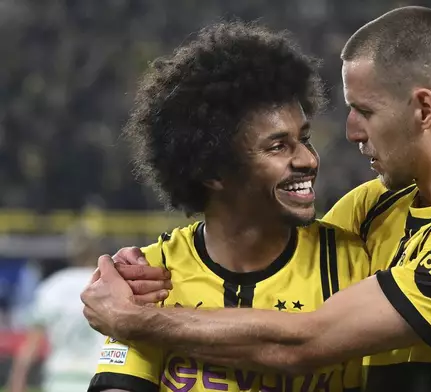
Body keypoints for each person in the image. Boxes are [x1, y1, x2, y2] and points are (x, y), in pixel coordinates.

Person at [83, 7, 431, 392]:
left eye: (364, 111)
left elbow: (306, 343)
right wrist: (139, 271)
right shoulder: (372, 209)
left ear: (424, 109)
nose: (349, 132)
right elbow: (282, 262)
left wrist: (135, 319)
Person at [86, 21, 372, 392]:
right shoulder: (152, 278)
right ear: (213, 171)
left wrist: (137, 321)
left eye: (304, 139)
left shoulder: (354, 266)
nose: (308, 160)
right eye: (278, 146)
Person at [7, 224, 106, 392]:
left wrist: (17, 380)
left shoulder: (53, 286)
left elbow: (32, 343)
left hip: (60, 380)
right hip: (98, 378)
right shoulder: (108, 285)